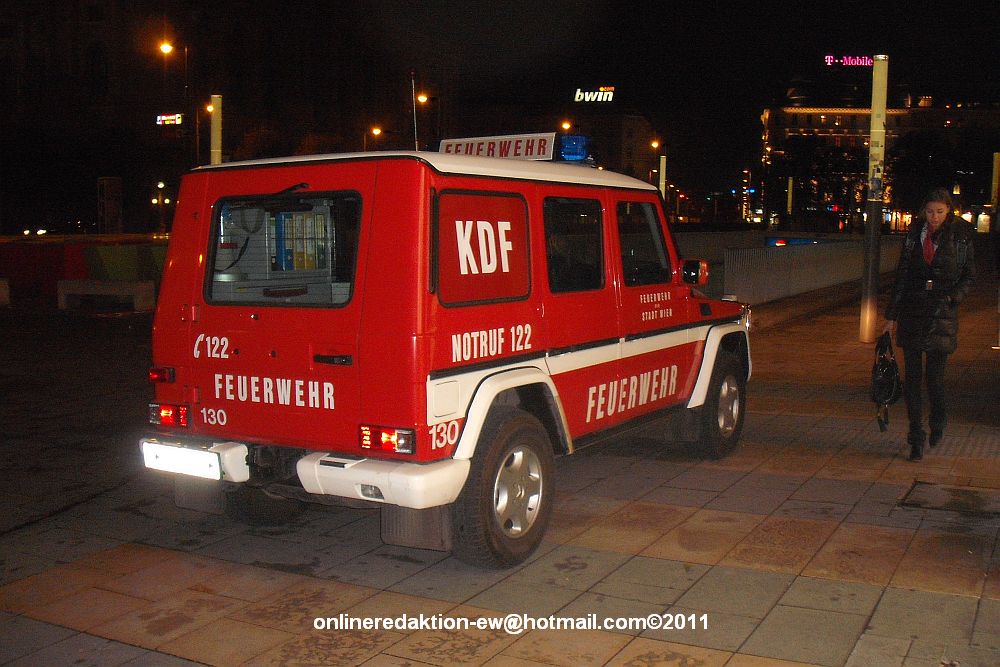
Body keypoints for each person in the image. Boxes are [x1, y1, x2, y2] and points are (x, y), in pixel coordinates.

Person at [883, 188, 975, 461]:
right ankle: (916, 437)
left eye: (940, 212)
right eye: (930, 211)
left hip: (941, 313)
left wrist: (952, 297)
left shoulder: (961, 235)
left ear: (949, 211)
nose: (934, 217)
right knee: (912, 380)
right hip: (913, 310)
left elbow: (969, 275)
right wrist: (891, 316)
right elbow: (902, 275)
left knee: (934, 379)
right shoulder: (915, 233)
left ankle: (938, 422)